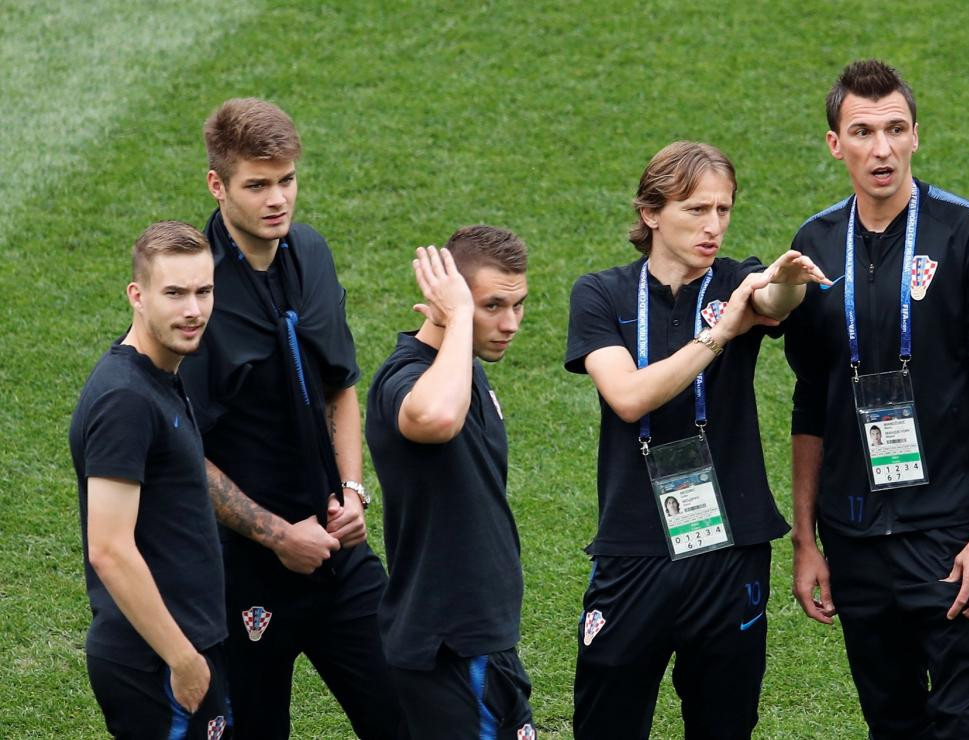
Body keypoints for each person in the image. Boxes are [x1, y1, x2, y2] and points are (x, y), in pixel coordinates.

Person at [784, 59, 969, 739]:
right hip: (855, 540)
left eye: (895, 129)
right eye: (862, 132)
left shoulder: (967, 233)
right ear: (836, 144)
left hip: (950, 535)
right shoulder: (815, 245)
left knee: (965, 724)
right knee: (891, 724)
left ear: (917, 135)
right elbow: (810, 397)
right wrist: (807, 541)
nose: (880, 148)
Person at [564, 140, 829, 739]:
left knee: (724, 726)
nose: (714, 227)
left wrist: (787, 281)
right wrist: (719, 336)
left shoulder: (737, 281)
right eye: (696, 211)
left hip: (731, 548)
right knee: (606, 723)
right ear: (652, 213)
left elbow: (771, 299)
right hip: (634, 550)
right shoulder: (600, 294)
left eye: (724, 210)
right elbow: (628, 397)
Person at [178, 98, 398, 738]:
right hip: (242, 574)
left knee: (408, 714)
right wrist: (277, 535)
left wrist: (354, 491)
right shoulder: (192, 295)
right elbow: (180, 448)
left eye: (287, 180)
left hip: (341, 556)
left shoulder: (311, 252)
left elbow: (341, 387)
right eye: (258, 185)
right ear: (217, 185)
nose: (278, 199)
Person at [366, 226, 537, 739]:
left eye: (519, 305)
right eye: (492, 306)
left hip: (480, 640)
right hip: (452, 646)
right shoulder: (403, 378)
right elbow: (437, 418)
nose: (510, 324)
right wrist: (460, 317)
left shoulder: (465, 370)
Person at [70, 221, 231, 738]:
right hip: (155, 661)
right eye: (175, 293)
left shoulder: (160, 374)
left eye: (204, 291)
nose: (193, 310)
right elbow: (109, 550)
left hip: (180, 648)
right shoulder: (126, 401)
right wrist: (183, 661)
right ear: (137, 296)